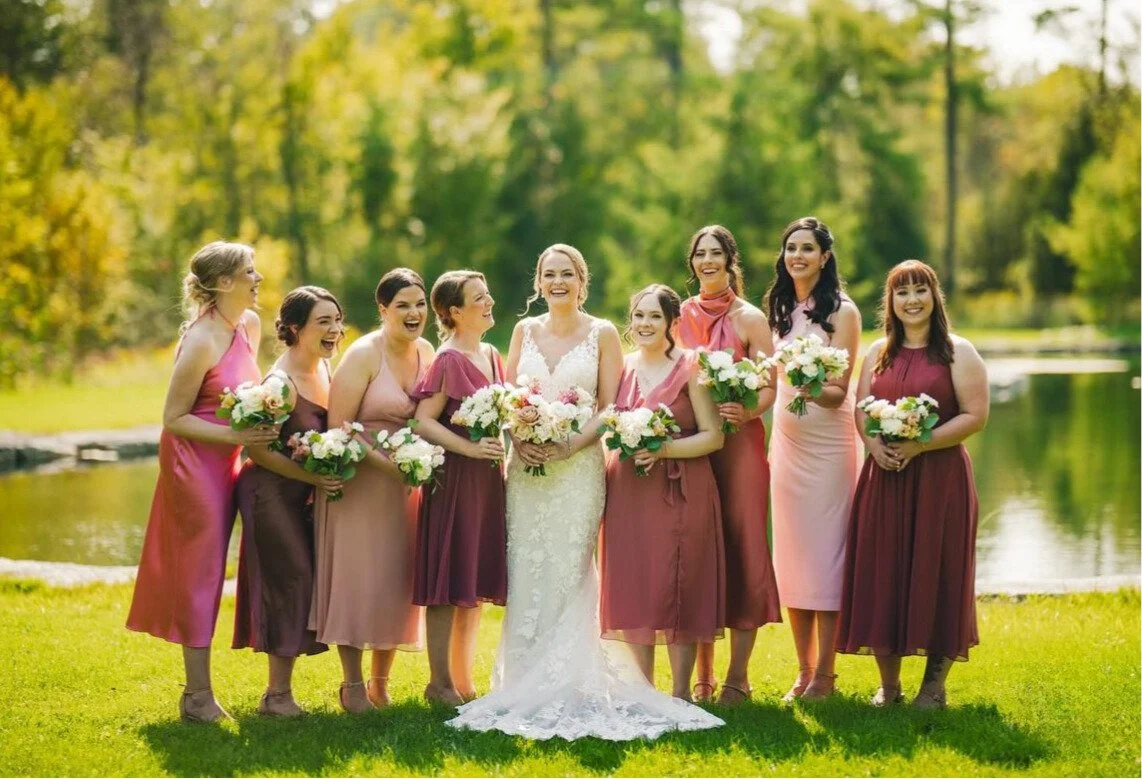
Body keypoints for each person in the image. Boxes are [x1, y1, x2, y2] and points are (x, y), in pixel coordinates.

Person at [447, 249, 723, 740]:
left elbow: (612, 403)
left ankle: (573, 680)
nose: (558, 282)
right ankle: (524, 678)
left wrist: (570, 443)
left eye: (567, 274)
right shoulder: (523, 331)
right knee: (529, 567)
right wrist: (522, 436)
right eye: (549, 274)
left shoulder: (602, 333)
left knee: (570, 570)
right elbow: (508, 395)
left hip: (579, 469)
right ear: (538, 281)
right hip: (527, 467)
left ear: (582, 281)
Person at [126, 241, 274, 723]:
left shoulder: (247, 326)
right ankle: (197, 696)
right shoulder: (201, 339)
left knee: (224, 565)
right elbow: (173, 418)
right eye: (250, 272)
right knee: (202, 569)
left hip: (229, 455)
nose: (258, 279)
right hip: (194, 464)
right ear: (224, 282)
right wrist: (237, 432)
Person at [836, 259, 988, 709]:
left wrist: (921, 446)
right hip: (884, 477)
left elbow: (975, 416)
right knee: (884, 572)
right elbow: (861, 408)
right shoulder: (877, 352)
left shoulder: (957, 351)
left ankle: (933, 686)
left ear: (934, 296)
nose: (912, 300)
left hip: (939, 480)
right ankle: (890, 684)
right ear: (891, 302)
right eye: (902, 293)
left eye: (920, 290)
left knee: (937, 571)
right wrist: (873, 445)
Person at [310, 269, 435, 713]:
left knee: (395, 581)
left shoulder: (427, 352)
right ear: (383, 310)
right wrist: (390, 465)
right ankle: (352, 684)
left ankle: (382, 683)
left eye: (419, 303)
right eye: (402, 305)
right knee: (358, 578)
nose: (414, 313)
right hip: (360, 482)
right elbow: (340, 428)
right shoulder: (363, 355)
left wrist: (419, 463)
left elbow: (428, 420)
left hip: (405, 486)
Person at [600, 283, 729, 703]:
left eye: (654, 316)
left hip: (681, 490)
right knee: (635, 582)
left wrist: (664, 448)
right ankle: (643, 692)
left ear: (673, 322)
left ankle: (679, 694)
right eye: (638, 315)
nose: (644, 324)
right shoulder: (623, 368)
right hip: (628, 493)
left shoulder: (693, 366)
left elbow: (714, 437)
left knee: (678, 582)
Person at [677, 225, 782, 705]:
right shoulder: (678, 316)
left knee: (743, 550)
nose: (707, 262)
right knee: (698, 550)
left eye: (716, 253)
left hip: (739, 448)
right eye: (700, 254)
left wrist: (749, 409)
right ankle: (701, 676)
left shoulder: (751, 319)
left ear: (730, 260)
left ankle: (737, 677)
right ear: (692, 262)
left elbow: (768, 386)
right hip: (696, 446)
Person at [233, 286, 344, 717]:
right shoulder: (278, 384)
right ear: (295, 329)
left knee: (305, 578)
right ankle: (276, 695)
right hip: (270, 492)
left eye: (337, 320)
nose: (334, 330)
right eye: (323, 322)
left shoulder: (326, 371)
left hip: (303, 493)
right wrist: (313, 476)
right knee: (292, 577)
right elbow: (256, 451)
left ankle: (279, 694)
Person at [767, 217, 862, 701]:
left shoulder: (843, 311)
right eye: (790, 248)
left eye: (807, 248)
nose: (797, 255)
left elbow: (840, 388)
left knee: (829, 556)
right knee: (794, 557)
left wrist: (809, 384)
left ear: (825, 257)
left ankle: (826, 673)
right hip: (786, 442)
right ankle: (802, 670)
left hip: (829, 446)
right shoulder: (780, 307)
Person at [410, 271, 508, 706]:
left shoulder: (490, 352)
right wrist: (468, 451)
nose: (489, 302)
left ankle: (463, 681)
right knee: (448, 578)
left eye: (488, 295)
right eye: (479, 298)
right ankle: (438, 683)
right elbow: (424, 420)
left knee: (471, 575)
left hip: (488, 480)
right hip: (455, 479)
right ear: (454, 312)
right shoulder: (448, 359)